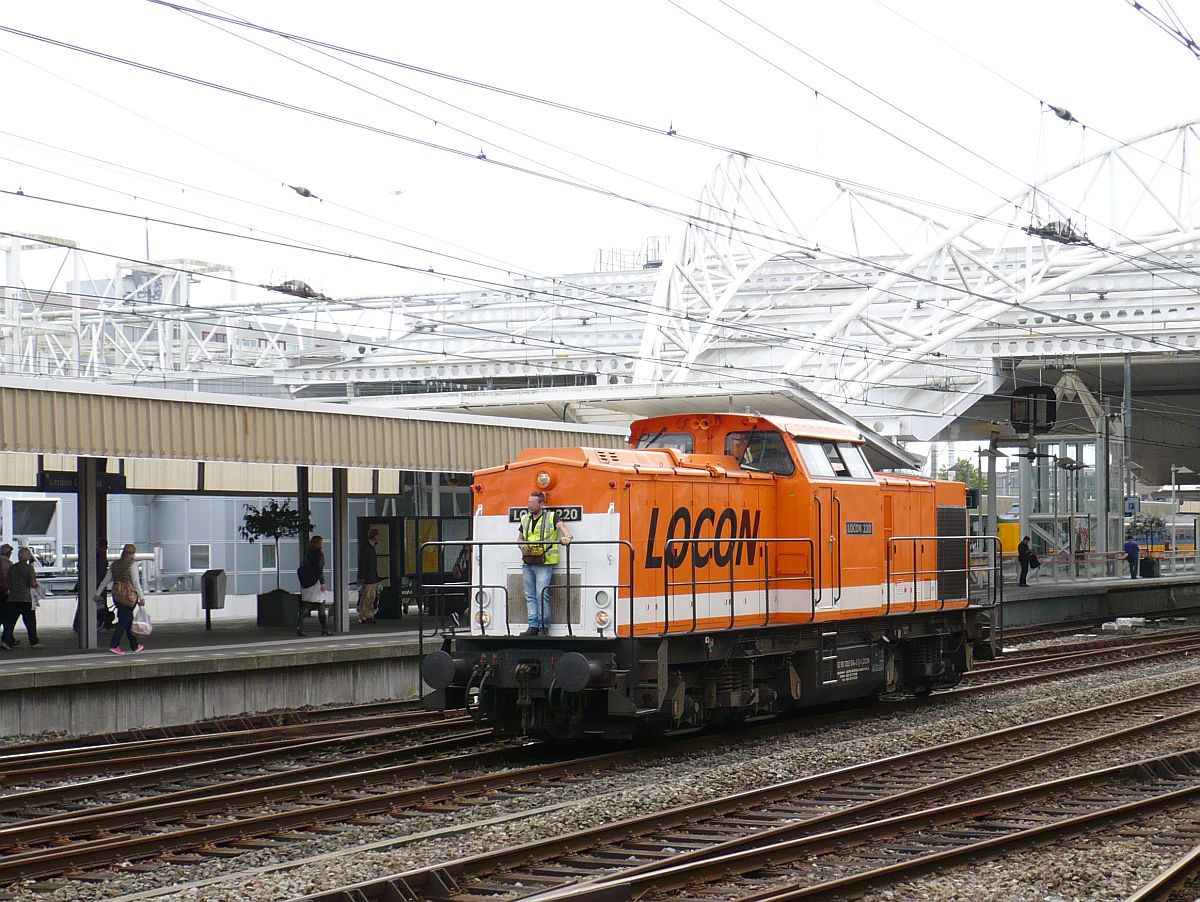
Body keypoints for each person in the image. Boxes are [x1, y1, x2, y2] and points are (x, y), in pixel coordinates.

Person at [517, 491, 571, 636]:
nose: (529, 505)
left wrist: (567, 537)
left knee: (541, 594)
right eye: (528, 502)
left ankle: (543, 626)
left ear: (541, 504)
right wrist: (522, 545)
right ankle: (533, 625)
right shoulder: (525, 519)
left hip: (544, 561)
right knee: (529, 595)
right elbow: (520, 538)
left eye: (532, 502)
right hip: (528, 561)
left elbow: (562, 527)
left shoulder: (552, 517)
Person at [94, 543, 146, 654]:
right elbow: (136, 582)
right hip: (128, 595)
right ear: (133, 553)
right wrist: (141, 597)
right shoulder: (132, 564)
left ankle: (135, 646)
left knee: (127, 620)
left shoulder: (114, 564)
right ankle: (114, 645)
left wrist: (97, 594)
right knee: (124, 621)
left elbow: (105, 580)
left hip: (117, 594)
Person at [2, 547, 40, 649]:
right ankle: (34, 642)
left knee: (10, 621)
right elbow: (33, 583)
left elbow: (8, 581)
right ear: (27, 556)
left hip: (12, 598)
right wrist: (37, 586)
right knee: (30, 622)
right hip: (25, 598)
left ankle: (5, 640)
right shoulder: (29, 568)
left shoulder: (12, 567)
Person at [298, 535, 331, 637]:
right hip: (316, 582)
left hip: (307, 582)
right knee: (321, 604)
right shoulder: (319, 555)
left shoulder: (308, 553)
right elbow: (319, 569)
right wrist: (323, 582)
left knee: (306, 605)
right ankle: (324, 629)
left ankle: (299, 626)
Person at [357, 528, 381, 624]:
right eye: (378, 536)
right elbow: (363, 563)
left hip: (372, 577)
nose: (379, 539)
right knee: (366, 597)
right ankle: (363, 615)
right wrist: (361, 577)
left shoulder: (371, 548)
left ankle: (369, 615)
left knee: (371, 597)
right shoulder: (367, 548)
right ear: (374, 537)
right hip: (367, 578)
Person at [0, 545, 11, 652]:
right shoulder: (7, 563)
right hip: (3, 593)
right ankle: (6, 640)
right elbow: (3, 579)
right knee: (6, 617)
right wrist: (7, 588)